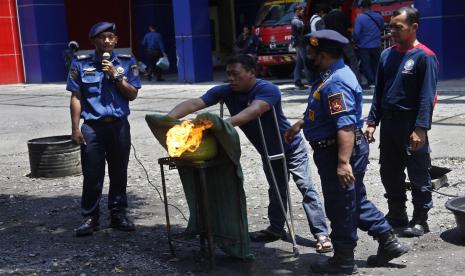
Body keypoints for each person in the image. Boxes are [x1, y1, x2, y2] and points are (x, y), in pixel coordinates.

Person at [168, 54, 333, 254]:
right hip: (267, 149)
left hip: (290, 147)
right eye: (228, 74)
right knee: (276, 188)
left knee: (306, 187)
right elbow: (196, 103)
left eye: (236, 74)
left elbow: (254, 111)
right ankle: (275, 228)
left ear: (251, 73)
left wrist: (220, 125)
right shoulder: (226, 91)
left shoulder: (267, 90)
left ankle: (321, 234)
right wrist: (167, 119)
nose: (231, 78)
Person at [285, 30, 408, 274]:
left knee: (341, 204)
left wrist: (343, 163)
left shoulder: (336, 81)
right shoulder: (329, 75)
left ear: (323, 55)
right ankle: (388, 241)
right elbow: (327, 113)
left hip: (338, 151)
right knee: (354, 199)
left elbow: (345, 126)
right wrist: (303, 123)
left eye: (311, 53)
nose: (307, 57)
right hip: (336, 148)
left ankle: (343, 260)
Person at [365, 7, 438, 238]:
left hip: (411, 125)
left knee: (418, 173)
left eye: (399, 27)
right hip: (389, 123)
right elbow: (379, 92)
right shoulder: (387, 55)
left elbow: (428, 97)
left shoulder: (425, 57)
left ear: (414, 27)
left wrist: (420, 128)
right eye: (391, 27)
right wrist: (371, 121)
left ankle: (420, 219)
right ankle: (397, 214)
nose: (393, 31)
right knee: (389, 171)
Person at [67, 22, 141, 237]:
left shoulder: (126, 61)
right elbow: (76, 97)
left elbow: (132, 94)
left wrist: (117, 76)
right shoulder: (80, 63)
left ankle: (118, 214)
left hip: (118, 126)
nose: (107, 41)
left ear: (116, 40)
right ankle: (90, 217)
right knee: (92, 174)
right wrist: (75, 128)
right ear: (94, 41)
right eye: (102, 37)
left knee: (119, 172)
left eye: (111, 37)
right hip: (92, 127)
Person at [324, 0, 361, 82]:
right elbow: (349, 28)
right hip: (344, 41)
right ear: (340, 7)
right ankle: (356, 80)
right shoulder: (342, 15)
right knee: (352, 59)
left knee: (336, 61)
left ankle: (337, 80)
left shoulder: (326, 17)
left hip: (332, 43)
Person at [352, 0, 384, 88]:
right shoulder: (378, 16)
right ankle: (378, 81)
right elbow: (382, 28)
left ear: (361, 8)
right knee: (377, 64)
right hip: (377, 45)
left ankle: (372, 82)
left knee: (366, 65)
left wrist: (355, 41)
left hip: (364, 46)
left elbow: (356, 33)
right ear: (371, 6)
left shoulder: (360, 18)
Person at [291, 5, 311, 89]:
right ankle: (310, 81)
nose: (303, 12)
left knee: (299, 63)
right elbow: (301, 32)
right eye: (301, 11)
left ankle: (297, 81)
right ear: (297, 11)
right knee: (306, 62)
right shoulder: (296, 21)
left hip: (298, 44)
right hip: (301, 44)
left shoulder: (296, 20)